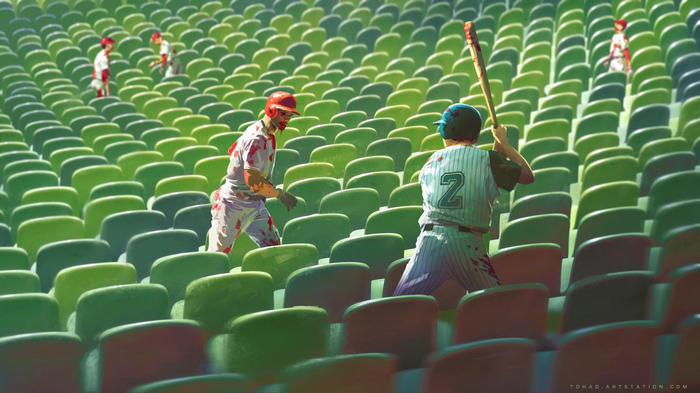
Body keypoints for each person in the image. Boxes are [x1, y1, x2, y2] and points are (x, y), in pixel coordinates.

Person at [393, 104, 535, 296]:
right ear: (475, 136)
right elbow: (527, 176)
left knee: (398, 304)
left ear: (444, 132)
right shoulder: (488, 159)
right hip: (467, 244)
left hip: (429, 241)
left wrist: (496, 154)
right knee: (497, 303)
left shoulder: (429, 163)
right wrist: (505, 144)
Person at [208, 91, 300, 254]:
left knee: (273, 247)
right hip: (232, 205)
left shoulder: (266, 133)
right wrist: (280, 195)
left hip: (254, 203)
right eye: (283, 113)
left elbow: (233, 151)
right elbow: (254, 181)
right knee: (217, 258)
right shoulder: (256, 138)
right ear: (271, 110)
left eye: (290, 115)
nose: (286, 119)